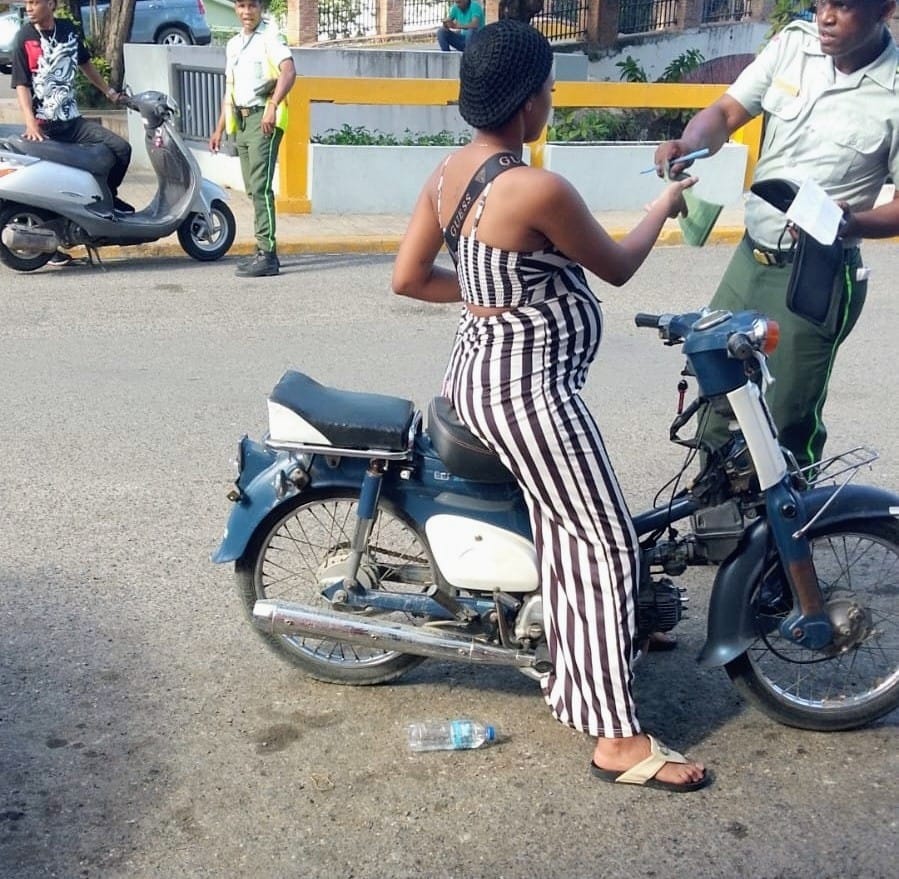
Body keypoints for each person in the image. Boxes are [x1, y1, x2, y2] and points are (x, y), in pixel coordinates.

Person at [392, 20, 710, 792]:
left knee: (566, 525)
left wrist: (489, 297)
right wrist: (664, 203)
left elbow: (407, 277)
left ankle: (594, 647)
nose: (552, 100)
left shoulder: (448, 173)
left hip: (479, 371)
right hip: (527, 394)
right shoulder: (535, 186)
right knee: (602, 542)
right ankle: (618, 740)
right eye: (550, 90)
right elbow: (619, 267)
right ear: (529, 101)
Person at [654, 0, 899, 470]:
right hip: (749, 261)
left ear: (884, 11)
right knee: (719, 395)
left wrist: (854, 221)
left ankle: (789, 536)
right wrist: (688, 144)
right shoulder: (793, 46)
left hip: (817, 272)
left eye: (843, 7)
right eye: (822, 3)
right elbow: (726, 113)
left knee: (784, 416)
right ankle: (718, 530)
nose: (826, 17)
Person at [11, 0, 133, 266]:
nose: (29, 8)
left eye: (34, 2)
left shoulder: (68, 29)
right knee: (48, 183)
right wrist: (30, 123)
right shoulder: (24, 37)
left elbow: (85, 63)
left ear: (51, 5)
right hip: (44, 129)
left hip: (74, 124)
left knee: (121, 149)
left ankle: (108, 200)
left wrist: (109, 92)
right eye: (27, 3)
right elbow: (21, 84)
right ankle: (51, 245)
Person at [209, 0, 296, 278]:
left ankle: (268, 255)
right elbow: (230, 88)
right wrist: (219, 128)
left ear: (261, 8)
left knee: (260, 187)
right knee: (251, 188)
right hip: (242, 120)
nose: (247, 12)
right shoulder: (233, 44)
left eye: (252, 6)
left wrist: (273, 106)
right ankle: (262, 249)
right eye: (241, 6)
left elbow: (288, 71)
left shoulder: (271, 37)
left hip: (264, 119)